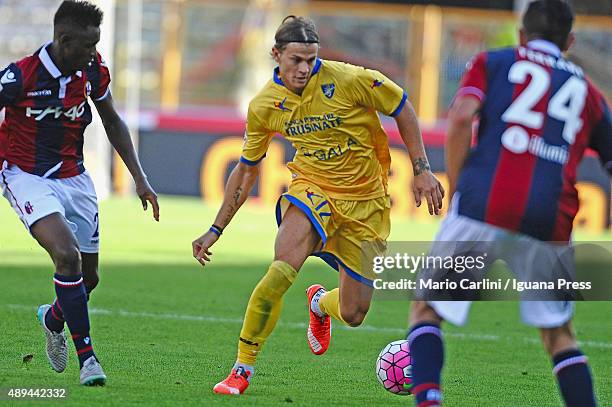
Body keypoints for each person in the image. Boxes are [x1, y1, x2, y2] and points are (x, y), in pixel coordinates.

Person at [192, 15, 444, 395]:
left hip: (366, 202)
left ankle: (320, 305)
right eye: (296, 59)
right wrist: (215, 229)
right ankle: (242, 368)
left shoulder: (350, 79)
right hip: (313, 191)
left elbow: (402, 106)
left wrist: (422, 169)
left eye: (311, 59)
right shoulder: (265, 105)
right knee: (279, 272)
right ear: (276, 54)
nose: (304, 68)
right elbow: (246, 171)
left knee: (355, 313)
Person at [407, 1, 611, 406]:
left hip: (484, 202)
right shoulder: (588, 93)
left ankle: (428, 399)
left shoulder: (494, 61)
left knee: (427, 310)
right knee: (559, 336)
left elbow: (463, 117)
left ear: (521, 34)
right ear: (569, 41)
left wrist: (459, 186)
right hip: (550, 220)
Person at [0, 0, 159, 386]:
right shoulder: (21, 76)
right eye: (86, 46)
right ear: (63, 39)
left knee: (89, 278)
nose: (93, 53)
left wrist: (139, 177)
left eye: (96, 45)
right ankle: (89, 360)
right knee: (66, 255)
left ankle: (53, 319)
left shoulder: (91, 69)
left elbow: (112, 120)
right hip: (26, 175)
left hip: (75, 178)